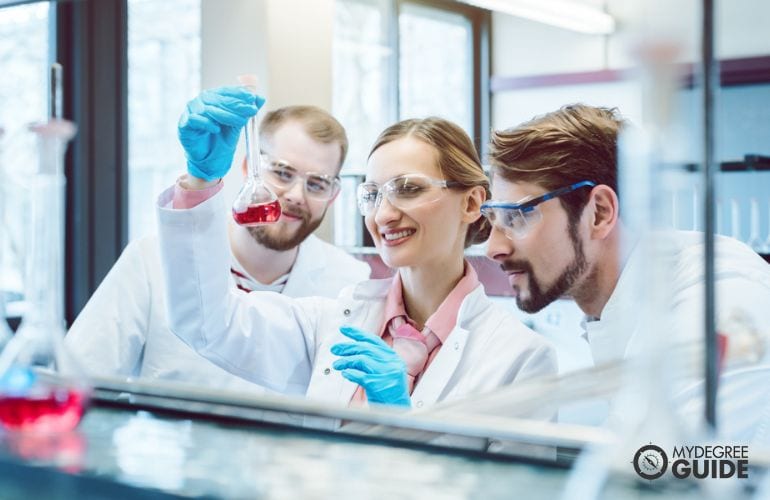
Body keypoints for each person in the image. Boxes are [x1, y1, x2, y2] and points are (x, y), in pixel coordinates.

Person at [155, 86, 556, 429]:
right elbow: (207, 323)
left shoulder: (520, 360)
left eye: (408, 189)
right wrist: (201, 181)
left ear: (471, 202)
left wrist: (402, 421)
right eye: (372, 194)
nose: (382, 215)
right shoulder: (331, 323)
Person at [65, 98, 370, 393]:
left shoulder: (351, 284)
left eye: (316, 184)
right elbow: (77, 380)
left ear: (333, 195)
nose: (295, 195)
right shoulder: (152, 260)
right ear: (249, 167)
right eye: (282, 172)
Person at [482, 103, 770, 369]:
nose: (493, 249)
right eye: (494, 218)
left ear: (600, 213)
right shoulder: (615, 311)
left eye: (517, 216)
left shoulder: (713, 304)